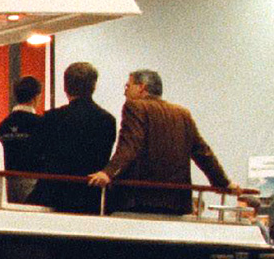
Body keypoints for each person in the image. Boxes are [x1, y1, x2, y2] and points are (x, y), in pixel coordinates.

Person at [89, 69, 234, 216]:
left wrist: (108, 172)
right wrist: (224, 183)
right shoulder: (183, 114)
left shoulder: (135, 107)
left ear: (141, 87)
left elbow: (131, 145)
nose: (125, 92)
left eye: (128, 86)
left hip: (139, 199)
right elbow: (202, 152)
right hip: (176, 201)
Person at [30, 62, 116, 215]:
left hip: (53, 195)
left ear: (65, 87)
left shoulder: (52, 118)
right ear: (94, 86)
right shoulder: (107, 120)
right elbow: (103, 157)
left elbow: (38, 154)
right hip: (90, 198)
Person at [0, 76, 44, 202]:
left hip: (6, 185)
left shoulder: (3, 125)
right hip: (34, 186)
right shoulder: (41, 124)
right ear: (36, 97)